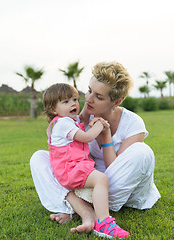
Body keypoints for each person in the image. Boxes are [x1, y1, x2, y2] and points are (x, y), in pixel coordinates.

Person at [30, 61, 160, 235]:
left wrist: (106, 136)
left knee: (143, 152)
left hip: (120, 186)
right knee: (39, 158)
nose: (89, 99)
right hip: (90, 183)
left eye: (99, 97)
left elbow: (116, 170)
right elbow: (66, 156)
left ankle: (77, 206)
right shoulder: (80, 114)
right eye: (89, 90)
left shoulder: (133, 123)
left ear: (116, 102)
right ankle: (86, 210)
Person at [42, 83, 130, 238]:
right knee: (101, 179)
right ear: (53, 109)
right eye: (66, 101)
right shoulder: (62, 124)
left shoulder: (69, 121)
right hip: (70, 170)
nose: (74, 103)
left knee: (98, 180)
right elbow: (87, 137)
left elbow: (81, 124)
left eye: (75, 99)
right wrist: (99, 124)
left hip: (72, 168)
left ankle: (87, 214)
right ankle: (104, 223)